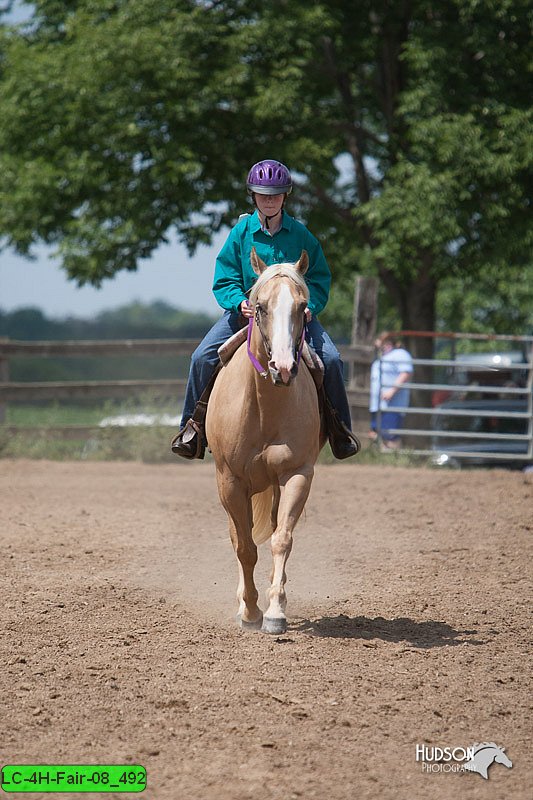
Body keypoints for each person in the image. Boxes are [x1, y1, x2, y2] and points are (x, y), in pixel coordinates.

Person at [171, 159, 360, 460]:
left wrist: (310, 306)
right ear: (253, 196)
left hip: (294, 317)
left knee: (333, 360)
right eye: (262, 194)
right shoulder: (241, 233)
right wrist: (239, 302)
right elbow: (226, 277)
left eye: (275, 194)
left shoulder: (301, 235)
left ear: (285, 196)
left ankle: (340, 431)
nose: (269, 200)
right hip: (246, 315)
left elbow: (320, 278)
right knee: (201, 357)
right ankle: (191, 429)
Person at [368, 332, 413, 449]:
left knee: (391, 436)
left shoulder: (400, 354)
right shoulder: (382, 357)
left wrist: (392, 391)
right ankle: (382, 460)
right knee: (375, 433)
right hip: (378, 405)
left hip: (391, 405)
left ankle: (393, 461)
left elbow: (406, 373)